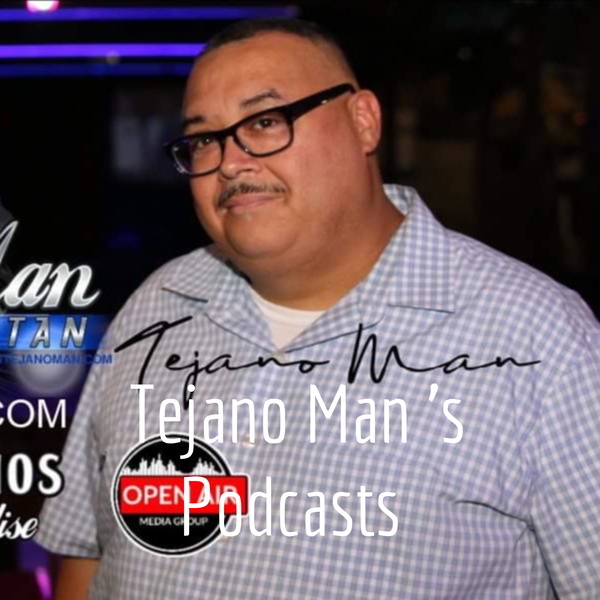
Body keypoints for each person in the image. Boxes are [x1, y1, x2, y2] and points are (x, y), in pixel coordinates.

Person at [36, 18, 600, 599]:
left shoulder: (537, 339)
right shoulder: (155, 310)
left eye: (265, 121)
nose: (229, 162)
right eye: (204, 139)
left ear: (363, 121)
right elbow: (87, 552)